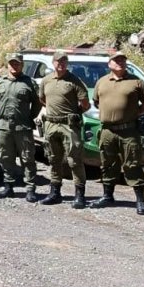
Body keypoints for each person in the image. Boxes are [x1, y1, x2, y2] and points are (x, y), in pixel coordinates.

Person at [89, 52, 144, 214]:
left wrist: (135, 113)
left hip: (128, 130)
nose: (120, 63)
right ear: (109, 64)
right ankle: (107, 196)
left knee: (133, 164)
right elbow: (97, 102)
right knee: (107, 163)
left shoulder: (136, 81)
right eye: (116, 60)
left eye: (123, 60)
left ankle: (140, 201)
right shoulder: (102, 82)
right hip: (108, 131)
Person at [38, 51, 90, 208]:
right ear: (53, 62)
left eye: (64, 61)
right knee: (53, 159)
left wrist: (74, 114)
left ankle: (79, 195)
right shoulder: (46, 80)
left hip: (69, 126)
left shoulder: (74, 80)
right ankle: (55, 193)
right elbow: (42, 99)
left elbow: (85, 104)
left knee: (74, 160)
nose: (61, 64)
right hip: (51, 124)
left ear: (67, 63)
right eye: (58, 61)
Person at [0, 52, 42, 201]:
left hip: (23, 126)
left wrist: (29, 117)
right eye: (12, 63)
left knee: (27, 157)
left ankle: (30, 189)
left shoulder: (29, 83)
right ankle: (8, 186)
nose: (14, 66)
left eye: (17, 63)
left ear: (22, 65)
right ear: (7, 65)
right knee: (5, 156)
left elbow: (37, 103)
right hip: (4, 126)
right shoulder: (0, 82)